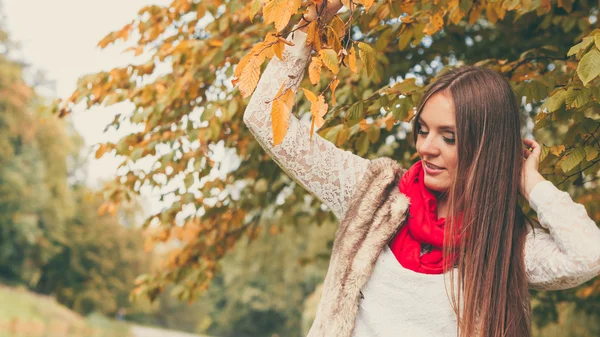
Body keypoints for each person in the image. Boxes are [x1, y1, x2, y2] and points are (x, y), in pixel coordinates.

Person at [241, 1, 600, 337]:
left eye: (449, 138)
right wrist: (312, 23)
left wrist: (529, 181)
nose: (425, 148)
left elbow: (589, 254)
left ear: (486, 149)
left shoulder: (504, 242)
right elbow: (263, 118)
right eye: (423, 130)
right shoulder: (375, 195)